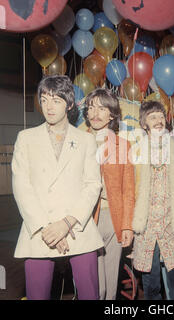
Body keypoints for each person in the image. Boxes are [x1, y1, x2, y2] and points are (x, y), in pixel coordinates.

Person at [12, 75, 104, 300]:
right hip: (39, 231)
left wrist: (66, 224)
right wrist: (46, 228)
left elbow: (93, 185)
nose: (48, 106)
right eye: (44, 100)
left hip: (77, 229)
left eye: (56, 100)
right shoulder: (25, 138)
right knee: (37, 296)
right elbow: (21, 187)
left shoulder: (85, 140)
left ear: (70, 104)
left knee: (91, 294)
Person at [131, 100, 174, 300]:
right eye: (153, 117)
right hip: (146, 231)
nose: (159, 121)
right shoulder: (135, 151)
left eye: (161, 116)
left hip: (173, 228)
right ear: (144, 124)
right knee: (151, 288)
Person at [83, 88, 135, 300]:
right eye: (91, 107)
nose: (95, 113)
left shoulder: (123, 145)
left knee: (110, 289)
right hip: (86, 220)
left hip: (113, 219)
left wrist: (127, 226)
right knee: (96, 289)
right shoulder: (78, 141)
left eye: (102, 108)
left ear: (112, 114)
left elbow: (129, 189)